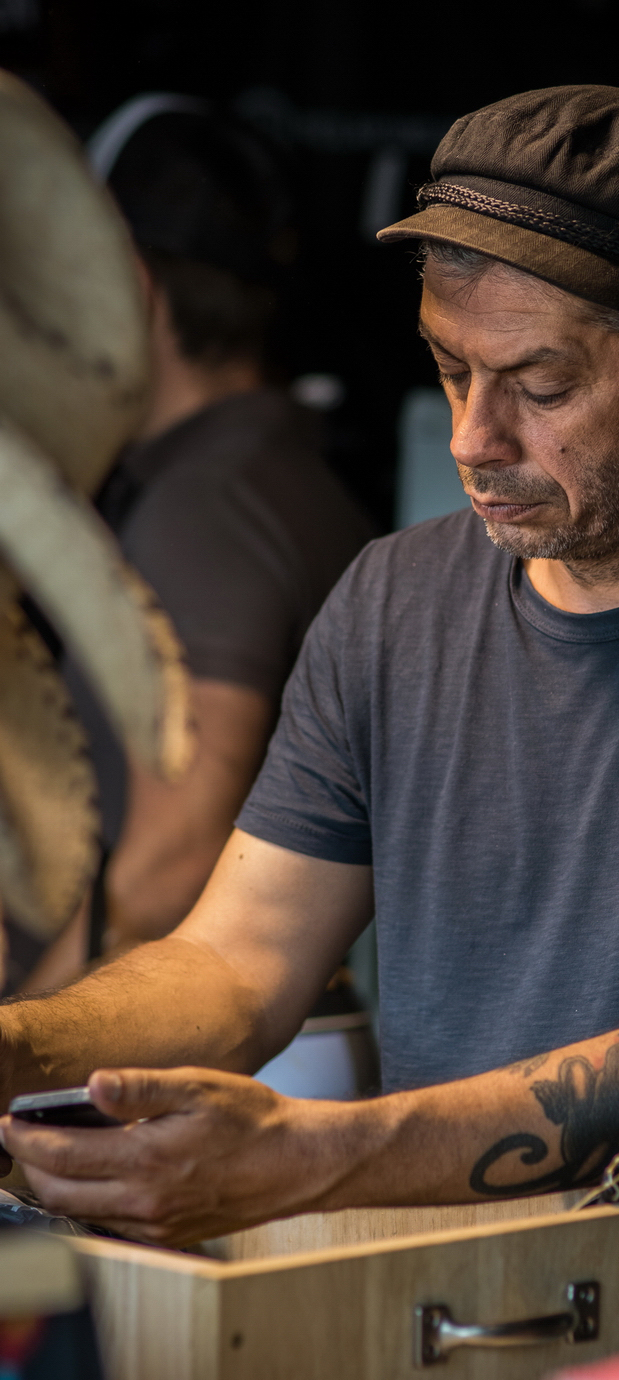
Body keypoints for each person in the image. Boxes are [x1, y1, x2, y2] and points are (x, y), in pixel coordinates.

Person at [0, 85, 619, 1247]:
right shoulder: (392, 600)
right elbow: (237, 962)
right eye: (450, 368)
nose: (473, 437)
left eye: (540, 385)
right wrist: (20, 1046)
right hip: (438, 1297)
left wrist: (317, 1155)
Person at [16, 99, 372, 990]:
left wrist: (24, 1040)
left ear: (128, 285)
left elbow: (171, 860)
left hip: (178, 1039)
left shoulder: (208, 507)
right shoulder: (279, 476)